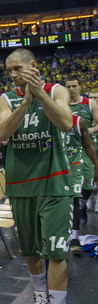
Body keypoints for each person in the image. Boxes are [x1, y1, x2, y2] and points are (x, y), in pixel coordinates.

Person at [0, 48, 73, 304]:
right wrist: (26, 103)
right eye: (9, 71)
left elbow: (65, 123)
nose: (13, 75)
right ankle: (40, 295)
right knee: (30, 250)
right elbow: (3, 133)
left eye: (17, 69)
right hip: (20, 184)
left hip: (54, 182)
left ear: (34, 65)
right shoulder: (6, 98)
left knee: (56, 251)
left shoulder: (56, 91)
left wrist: (38, 94)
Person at [65, 75, 98, 239]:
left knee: (87, 186)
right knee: (71, 189)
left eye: (74, 86)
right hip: (66, 149)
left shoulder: (89, 103)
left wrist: (86, 130)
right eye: (68, 86)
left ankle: (82, 205)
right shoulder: (61, 104)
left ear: (80, 87)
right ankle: (73, 221)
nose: (71, 89)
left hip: (86, 147)